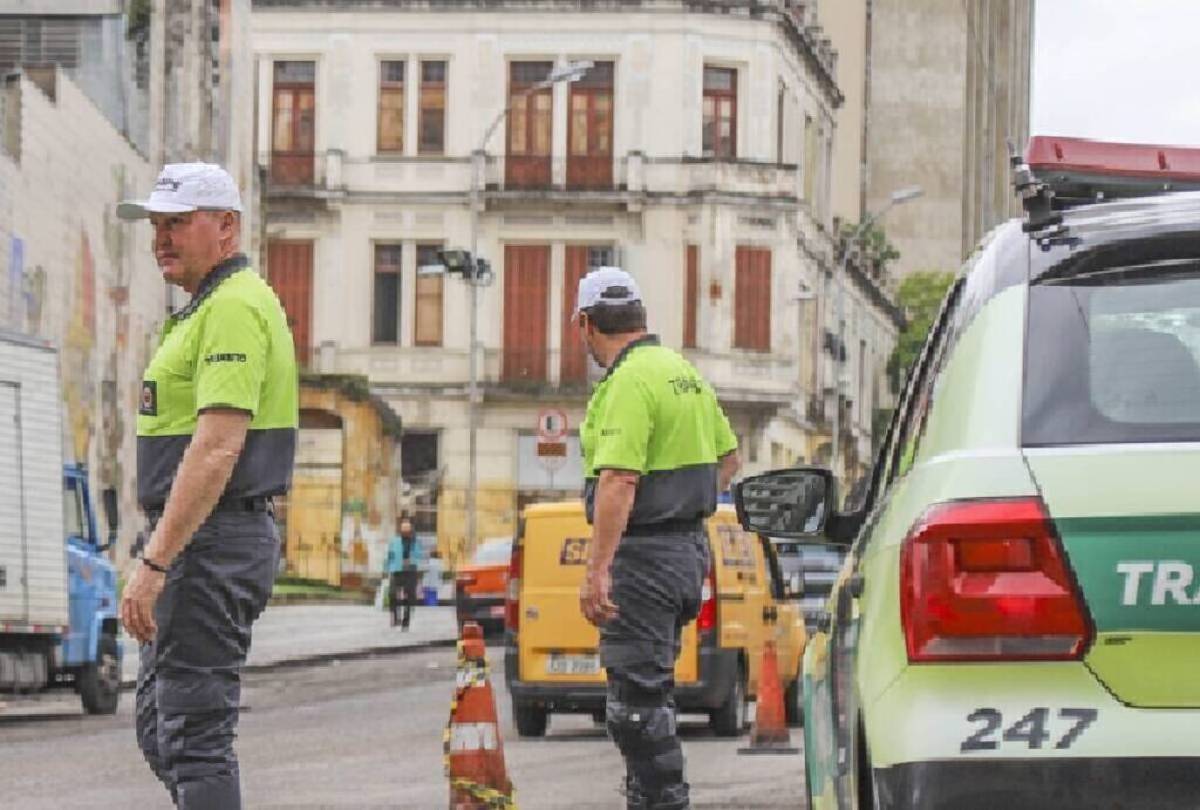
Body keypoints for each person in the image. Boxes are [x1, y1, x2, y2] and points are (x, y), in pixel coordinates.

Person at [116, 163, 298, 810]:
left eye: (178, 223)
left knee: (194, 738)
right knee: (160, 729)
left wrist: (156, 559)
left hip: (210, 538)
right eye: (156, 225)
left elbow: (218, 445)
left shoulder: (233, 307)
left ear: (226, 226)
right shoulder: (208, 309)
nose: (161, 239)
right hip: (202, 537)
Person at [575, 267, 740, 810]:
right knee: (649, 693)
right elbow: (728, 458)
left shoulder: (629, 381)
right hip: (687, 549)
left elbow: (619, 479)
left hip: (644, 558)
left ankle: (663, 801)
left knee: (637, 707)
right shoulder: (682, 372)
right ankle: (649, 798)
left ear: (585, 324)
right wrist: (683, 504)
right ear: (641, 316)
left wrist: (598, 569)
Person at [385, 517, 421, 629]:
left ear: (410, 529)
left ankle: (406, 620)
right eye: (403, 527)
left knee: (408, 597)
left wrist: (412, 560)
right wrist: (387, 569)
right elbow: (390, 556)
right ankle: (395, 616)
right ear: (400, 529)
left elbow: (419, 555)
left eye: (407, 527)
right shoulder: (395, 541)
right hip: (397, 570)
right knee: (392, 594)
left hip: (410, 571)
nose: (405, 529)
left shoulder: (415, 541)